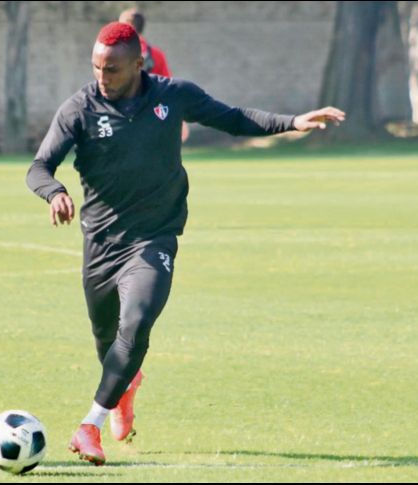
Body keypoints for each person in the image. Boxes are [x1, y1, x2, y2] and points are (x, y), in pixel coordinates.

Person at [26, 22, 345, 466]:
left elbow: (232, 118)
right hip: (101, 243)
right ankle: (123, 388)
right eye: (96, 67)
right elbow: (39, 167)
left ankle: (88, 426)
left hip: (154, 237)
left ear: (139, 64)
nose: (102, 77)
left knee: (137, 323)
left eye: (112, 69)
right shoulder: (79, 109)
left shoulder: (173, 95)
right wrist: (55, 192)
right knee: (108, 342)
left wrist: (292, 122)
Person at [118, 7, 190, 142]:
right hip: (152, 119)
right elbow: (169, 89)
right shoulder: (157, 54)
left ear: (128, 25)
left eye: (120, 24)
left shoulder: (118, 53)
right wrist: (180, 117)